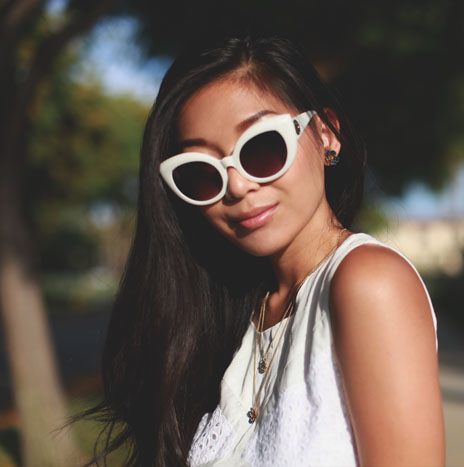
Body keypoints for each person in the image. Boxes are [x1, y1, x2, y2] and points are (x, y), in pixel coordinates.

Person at [83, 35, 444, 466]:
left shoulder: (368, 283)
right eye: (201, 173)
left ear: (326, 134)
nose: (236, 186)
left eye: (262, 147)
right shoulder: (238, 309)